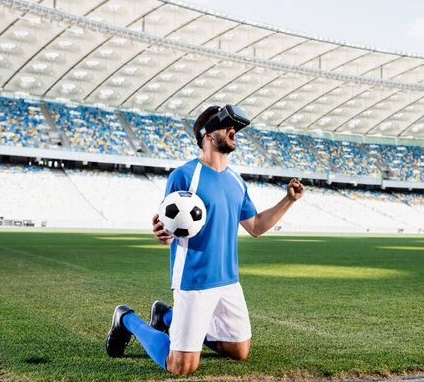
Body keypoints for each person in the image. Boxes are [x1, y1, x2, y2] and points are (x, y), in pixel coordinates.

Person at [105, 104, 304, 374]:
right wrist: (161, 234)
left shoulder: (236, 181)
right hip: (194, 280)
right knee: (182, 366)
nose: (234, 131)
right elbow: (167, 227)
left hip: (229, 281)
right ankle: (126, 319)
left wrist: (289, 200)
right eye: (227, 127)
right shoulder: (184, 176)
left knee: (239, 351)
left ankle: (164, 315)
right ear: (208, 137)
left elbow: (256, 226)